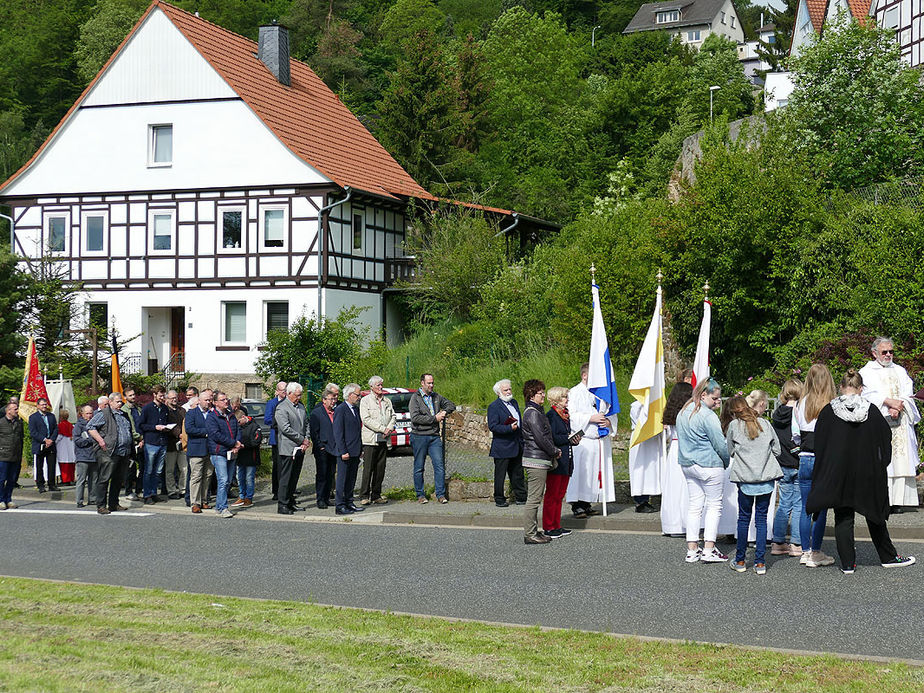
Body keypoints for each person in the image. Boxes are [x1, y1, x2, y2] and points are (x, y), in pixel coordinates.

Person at [808, 369, 916, 573]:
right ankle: (888, 556)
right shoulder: (872, 410)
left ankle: (848, 563)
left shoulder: (829, 411)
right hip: (866, 470)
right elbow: (885, 439)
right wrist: (881, 463)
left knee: (843, 515)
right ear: (861, 388)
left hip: (839, 471)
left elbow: (820, 443)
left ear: (841, 387)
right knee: (874, 513)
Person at [859, 337, 921, 513]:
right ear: (874, 353)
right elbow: (866, 394)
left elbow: (908, 391)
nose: (888, 355)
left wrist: (899, 405)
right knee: (884, 460)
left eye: (891, 351)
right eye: (884, 352)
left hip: (900, 420)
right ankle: (882, 499)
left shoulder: (900, 370)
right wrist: (888, 402)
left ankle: (899, 501)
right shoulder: (866, 372)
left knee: (901, 460)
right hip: (880, 421)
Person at [725, 395, 783, 575]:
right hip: (765, 478)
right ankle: (760, 562)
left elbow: (731, 451)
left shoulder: (734, 426)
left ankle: (740, 560)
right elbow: (777, 450)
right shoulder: (765, 424)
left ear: (734, 412)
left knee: (743, 519)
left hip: (745, 479)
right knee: (761, 519)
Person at [676, 378, 729, 563]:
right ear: (703, 394)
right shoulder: (708, 416)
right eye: (715, 398)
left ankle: (692, 549)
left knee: (694, 506)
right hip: (709, 464)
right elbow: (720, 445)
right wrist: (726, 461)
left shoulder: (683, 411)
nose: (718, 402)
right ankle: (709, 548)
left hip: (688, 464)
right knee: (714, 505)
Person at [793, 364, 837, 568]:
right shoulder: (831, 404)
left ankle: (804, 550)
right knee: (821, 508)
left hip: (805, 457)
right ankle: (816, 551)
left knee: (805, 507)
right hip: (823, 458)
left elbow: (795, 435)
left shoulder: (800, 403)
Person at [566, 363, 617, 518]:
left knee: (595, 473)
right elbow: (572, 416)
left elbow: (611, 412)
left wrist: (609, 422)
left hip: (599, 439)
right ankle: (577, 504)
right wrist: (590, 418)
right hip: (584, 440)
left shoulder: (601, 393)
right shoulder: (575, 392)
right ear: (585, 375)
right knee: (582, 473)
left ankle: (588, 502)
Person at [521, 379, 560, 544]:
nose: (543, 395)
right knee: (534, 498)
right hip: (536, 460)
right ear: (531, 395)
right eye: (540, 393)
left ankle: (534, 532)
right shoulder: (533, 413)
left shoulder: (535, 411)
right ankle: (530, 534)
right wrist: (554, 451)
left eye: (543, 392)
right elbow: (541, 438)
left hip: (537, 459)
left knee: (535, 497)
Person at [770, 379, 804, 557]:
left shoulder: (776, 414)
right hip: (797, 461)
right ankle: (796, 544)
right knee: (798, 504)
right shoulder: (799, 413)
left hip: (782, 462)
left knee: (783, 504)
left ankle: (778, 542)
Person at [409, 373, 455, 504]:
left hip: (434, 437)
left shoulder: (436, 396)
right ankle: (420, 495)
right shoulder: (415, 398)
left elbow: (451, 404)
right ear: (422, 383)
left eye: (432, 383)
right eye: (429, 383)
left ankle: (440, 494)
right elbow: (416, 418)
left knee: (439, 465)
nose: (431, 385)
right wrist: (434, 418)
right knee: (419, 466)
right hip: (419, 436)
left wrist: (445, 411)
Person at [87, 392, 132, 515]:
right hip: (109, 451)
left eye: (120, 401)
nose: (120, 403)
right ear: (110, 402)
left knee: (118, 479)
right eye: (117, 401)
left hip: (123, 452)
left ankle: (113, 503)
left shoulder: (123, 414)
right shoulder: (104, 413)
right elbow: (90, 427)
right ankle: (101, 505)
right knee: (104, 478)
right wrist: (101, 441)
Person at [661, 373, 694, 536]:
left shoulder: (670, 413)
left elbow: (666, 436)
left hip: (674, 449)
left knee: (673, 486)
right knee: (684, 486)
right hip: (684, 448)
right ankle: (683, 523)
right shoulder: (688, 414)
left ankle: (671, 524)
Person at [487, 379, 526, 507]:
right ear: (499, 392)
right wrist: (509, 428)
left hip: (516, 444)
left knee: (517, 473)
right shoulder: (494, 406)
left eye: (510, 389)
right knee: (500, 475)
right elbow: (493, 426)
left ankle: (521, 497)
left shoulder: (514, 403)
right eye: (506, 390)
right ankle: (499, 498)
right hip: (502, 446)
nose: (509, 392)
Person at [358, 376, 395, 505]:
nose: (381, 387)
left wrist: (389, 428)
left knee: (380, 468)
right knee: (368, 468)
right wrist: (382, 429)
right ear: (372, 387)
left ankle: (376, 494)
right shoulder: (365, 401)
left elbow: (393, 416)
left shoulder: (387, 401)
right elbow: (366, 419)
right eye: (378, 385)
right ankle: (364, 495)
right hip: (370, 440)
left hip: (384, 439)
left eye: (381, 385)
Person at [543, 386, 574, 538]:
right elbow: (552, 438)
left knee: (560, 494)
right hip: (557, 459)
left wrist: (573, 440)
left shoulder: (565, 415)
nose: (567, 400)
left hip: (566, 459)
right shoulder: (551, 416)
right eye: (564, 397)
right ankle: (549, 526)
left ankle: (557, 524)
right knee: (552, 494)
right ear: (556, 399)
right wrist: (568, 438)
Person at [275, 382, 310, 515]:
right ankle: (282, 504)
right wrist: (302, 439)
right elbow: (285, 428)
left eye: (300, 395)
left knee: (294, 476)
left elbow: (306, 423)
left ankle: (291, 502)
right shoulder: (282, 408)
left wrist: (306, 438)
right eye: (297, 395)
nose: (299, 397)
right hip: (288, 447)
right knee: (286, 478)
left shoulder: (301, 406)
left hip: (300, 447)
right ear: (289, 394)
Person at [206, 391, 241, 518]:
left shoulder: (230, 415)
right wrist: (233, 443)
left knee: (227, 481)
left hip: (231, 452)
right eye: (222, 400)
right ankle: (223, 507)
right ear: (215, 403)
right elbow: (215, 435)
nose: (226, 401)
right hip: (218, 452)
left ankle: (219, 506)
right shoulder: (212, 417)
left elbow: (237, 430)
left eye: (226, 399)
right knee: (223, 479)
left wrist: (237, 443)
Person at [333, 383, 364, 515]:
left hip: (355, 450)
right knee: (342, 479)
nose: (359, 397)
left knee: (351, 478)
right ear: (350, 395)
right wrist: (342, 450)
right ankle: (340, 505)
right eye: (358, 395)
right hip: (345, 451)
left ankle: (349, 502)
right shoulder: (341, 409)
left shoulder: (355, 409)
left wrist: (360, 448)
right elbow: (338, 432)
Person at [138, 384, 170, 505]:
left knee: (158, 471)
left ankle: (154, 492)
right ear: (154, 395)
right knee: (149, 470)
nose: (163, 398)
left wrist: (167, 428)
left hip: (162, 442)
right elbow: (140, 425)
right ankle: (147, 494)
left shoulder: (165, 409)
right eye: (161, 396)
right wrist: (154, 427)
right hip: (151, 442)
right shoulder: (147, 408)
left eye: (163, 395)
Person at [628, 399, 660, 513]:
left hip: (650, 440)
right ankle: (640, 501)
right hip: (640, 438)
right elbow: (639, 421)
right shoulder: (636, 406)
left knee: (649, 471)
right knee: (639, 470)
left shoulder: (656, 403)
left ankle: (646, 499)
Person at [184, 389, 213, 513]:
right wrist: (206, 432)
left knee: (208, 476)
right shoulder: (192, 413)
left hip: (210, 450)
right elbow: (189, 429)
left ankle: (204, 500)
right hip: (196, 449)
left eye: (210, 400)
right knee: (196, 476)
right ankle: (195, 502)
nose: (208, 402)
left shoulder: (212, 413)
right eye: (206, 400)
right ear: (199, 401)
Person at [309, 387, 338, 509]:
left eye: (334, 399)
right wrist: (320, 446)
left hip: (333, 448)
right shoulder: (317, 413)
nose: (333, 401)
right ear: (324, 400)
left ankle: (327, 498)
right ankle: (320, 499)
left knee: (330, 474)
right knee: (322, 474)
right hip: (322, 449)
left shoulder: (335, 412)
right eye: (331, 399)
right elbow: (314, 432)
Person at [73, 402, 100, 508]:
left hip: (94, 456)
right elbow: (78, 441)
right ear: (82, 414)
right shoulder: (78, 426)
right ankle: (79, 500)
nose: (89, 415)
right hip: (82, 457)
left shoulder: (95, 424)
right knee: (81, 480)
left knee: (93, 480)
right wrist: (90, 440)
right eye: (87, 413)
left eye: (91, 413)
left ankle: (92, 499)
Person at [29, 397, 58, 493]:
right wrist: (45, 440)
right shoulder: (33, 417)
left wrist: (51, 440)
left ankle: (51, 484)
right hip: (39, 445)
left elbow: (55, 429)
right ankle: (40, 485)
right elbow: (33, 432)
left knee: (51, 465)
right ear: (38, 406)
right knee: (39, 466)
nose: (44, 406)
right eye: (42, 404)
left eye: (45, 404)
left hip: (51, 445)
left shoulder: (51, 416)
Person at [232, 408, 261, 507]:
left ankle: (249, 498)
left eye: (239, 422)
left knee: (249, 478)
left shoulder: (255, 426)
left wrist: (244, 445)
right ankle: (241, 496)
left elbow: (256, 441)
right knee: (240, 477)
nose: (238, 424)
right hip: (240, 457)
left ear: (244, 417)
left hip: (251, 457)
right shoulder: (238, 427)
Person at [264, 381, 287, 501]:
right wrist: (280, 421)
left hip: (287, 438)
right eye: (283, 391)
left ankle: (286, 489)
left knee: (286, 465)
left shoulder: (289, 402)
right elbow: (267, 419)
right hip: (276, 437)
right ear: (277, 391)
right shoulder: (272, 403)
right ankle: (277, 490)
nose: (285, 392)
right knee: (278, 465)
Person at [0, 401, 24, 509]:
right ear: (8, 411)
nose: (17, 410)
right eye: (15, 409)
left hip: (15, 456)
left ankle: (8, 499)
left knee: (11, 479)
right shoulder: (1, 423)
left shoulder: (19, 423)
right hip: (3, 455)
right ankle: (1, 500)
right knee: (2, 479)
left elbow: (21, 438)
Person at [163, 389, 186, 499]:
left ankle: (183, 489)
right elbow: (166, 425)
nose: (174, 399)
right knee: (170, 470)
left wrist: (184, 436)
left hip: (182, 444)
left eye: (175, 397)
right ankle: (171, 490)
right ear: (167, 399)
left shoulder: (182, 410)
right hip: (170, 444)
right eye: (172, 398)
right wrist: (179, 434)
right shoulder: (165, 411)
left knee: (184, 468)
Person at [122, 387, 144, 501]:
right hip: (131, 443)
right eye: (130, 395)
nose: (133, 397)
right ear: (125, 397)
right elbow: (129, 428)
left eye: (134, 394)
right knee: (130, 469)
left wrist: (143, 438)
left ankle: (139, 490)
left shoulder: (138, 409)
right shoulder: (124, 410)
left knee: (143, 467)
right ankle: (128, 491)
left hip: (141, 442)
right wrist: (139, 438)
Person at [55, 408, 76, 486]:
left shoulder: (60, 426)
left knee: (64, 464)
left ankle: (65, 480)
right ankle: (71, 479)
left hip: (62, 446)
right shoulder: (71, 425)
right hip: (70, 445)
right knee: (71, 464)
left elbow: (58, 437)